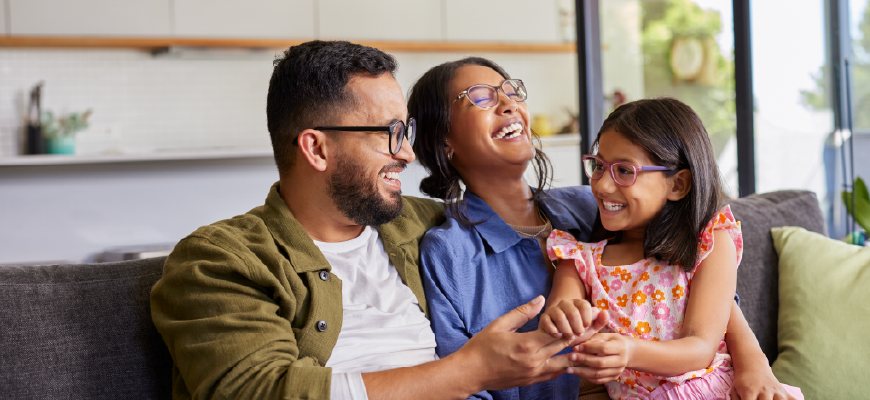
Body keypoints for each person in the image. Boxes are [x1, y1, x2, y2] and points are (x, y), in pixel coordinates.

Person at [150, 40, 592, 400]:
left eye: (408, 133)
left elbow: (549, 219)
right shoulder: (219, 260)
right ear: (316, 148)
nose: (407, 154)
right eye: (389, 134)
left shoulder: (428, 225)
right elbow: (257, 389)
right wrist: (469, 372)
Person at [409, 57, 799, 400]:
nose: (510, 103)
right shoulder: (450, 252)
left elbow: (688, 283)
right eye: (481, 96)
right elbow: (457, 382)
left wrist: (754, 361)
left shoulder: (591, 203)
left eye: (510, 90)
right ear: (441, 140)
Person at [541, 98, 804, 399]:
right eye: (599, 166)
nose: (600, 186)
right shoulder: (578, 260)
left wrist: (629, 350)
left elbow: (700, 348)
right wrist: (563, 317)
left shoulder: (710, 243)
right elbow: (560, 310)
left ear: (678, 185)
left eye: (624, 171)